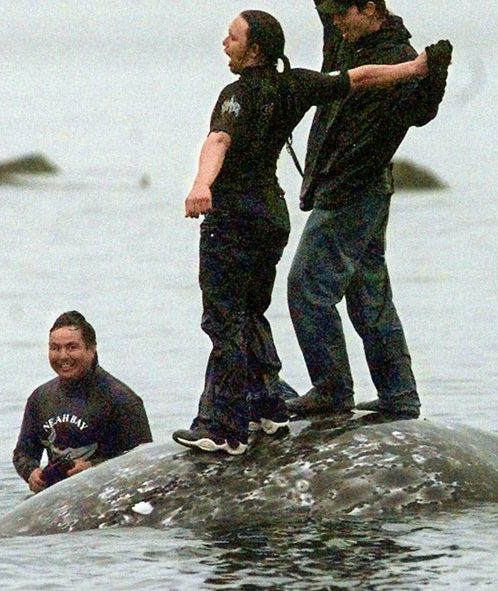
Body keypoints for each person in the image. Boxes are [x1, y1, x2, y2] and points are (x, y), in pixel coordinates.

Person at [172, 9, 438, 455]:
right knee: (256, 311)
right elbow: (358, 78)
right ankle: (269, 408)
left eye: (232, 38)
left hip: (239, 216)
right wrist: (415, 68)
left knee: (227, 319)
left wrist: (201, 184)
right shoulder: (295, 83)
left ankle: (224, 426)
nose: (224, 43)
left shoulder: (235, 95)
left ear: (255, 49)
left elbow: (218, 140)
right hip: (271, 216)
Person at [285, 1, 452, 418]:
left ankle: (332, 389)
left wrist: (435, 77)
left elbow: (422, 113)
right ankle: (399, 396)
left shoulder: (400, 59)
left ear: (369, 9)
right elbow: (327, 12)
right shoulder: (346, 39)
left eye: (343, 15)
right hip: (358, 190)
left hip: (354, 191)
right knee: (369, 296)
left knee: (307, 288)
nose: (336, 24)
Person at [13, 311, 152, 493]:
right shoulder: (40, 398)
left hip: (109, 496)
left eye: (72, 347)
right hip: (58, 498)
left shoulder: (121, 399)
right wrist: (31, 472)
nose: (62, 356)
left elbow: (144, 462)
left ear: (91, 349)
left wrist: (94, 468)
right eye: (55, 348)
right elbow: (23, 453)